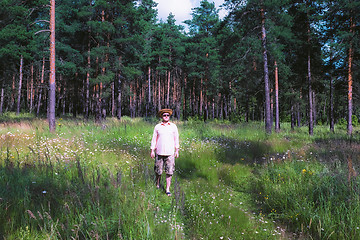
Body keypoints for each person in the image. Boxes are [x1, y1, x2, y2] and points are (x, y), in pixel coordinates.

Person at [150, 109, 179, 196]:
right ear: (161, 116)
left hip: (170, 153)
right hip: (159, 152)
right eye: (164, 115)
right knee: (158, 171)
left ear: (169, 116)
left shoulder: (173, 126)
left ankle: (167, 189)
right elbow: (154, 139)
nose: (166, 117)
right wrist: (152, 150)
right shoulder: (157, 127)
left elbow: (176, 138)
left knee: (169, 171)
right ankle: (157, 184)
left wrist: (177, 150)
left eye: (167, 115)